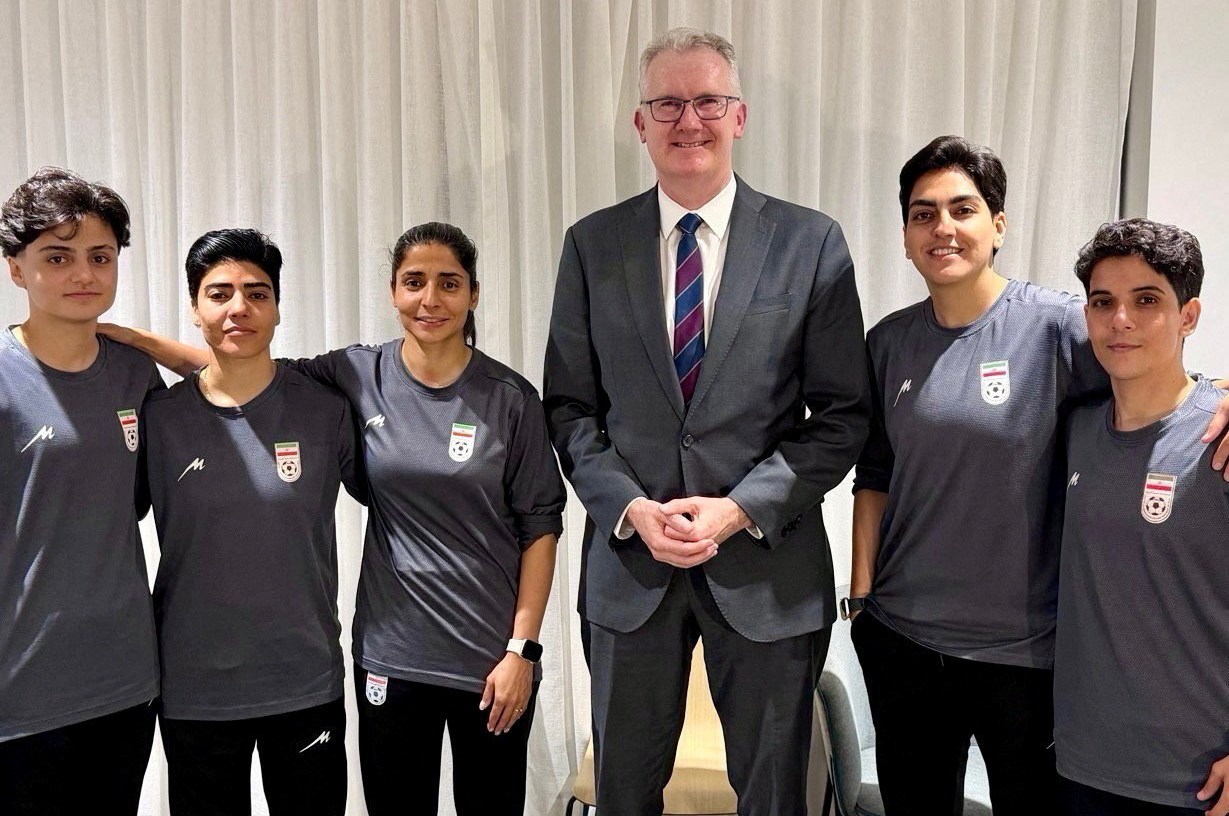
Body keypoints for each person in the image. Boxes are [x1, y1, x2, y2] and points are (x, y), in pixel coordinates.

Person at [102, 221, 565, 816]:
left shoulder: (505, 398)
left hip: (473, 660)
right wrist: (142, 343)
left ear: (473, 294)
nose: (430, 299)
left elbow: (541, 524)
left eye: (449, 283)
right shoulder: (348, 377)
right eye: (414, 282)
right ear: (393, 292)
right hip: (372, 658)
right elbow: (242, 369)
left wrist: (523, 648)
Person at [849, 137, 1229, 816]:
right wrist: (861, 599)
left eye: (961, 208)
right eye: (921, 213)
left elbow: (1151, 371)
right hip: (903, 640)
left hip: (1026, 658)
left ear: (997, 225)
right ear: (904, 235)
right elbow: (873, 471)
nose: (942, 227)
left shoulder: (1058, 326)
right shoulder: (888, 342)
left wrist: (1223, 394)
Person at [543, 28, 870, 815]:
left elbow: (840, 415)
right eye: (667, 104)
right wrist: (627, 508)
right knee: (624, 791)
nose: (688, 121)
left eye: (707, 102)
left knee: (774, 793)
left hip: (767, 567)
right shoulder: (592, 245)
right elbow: (570, 408)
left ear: (739, 115)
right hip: (631, 570)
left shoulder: (809, 242)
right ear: (640, 122)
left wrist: (737, 509)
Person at [144, 229, 364, 815]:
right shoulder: (159, 418)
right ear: (194, 308)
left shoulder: (325, 410)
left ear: (277, 307)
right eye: (219, 293)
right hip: (195, 689)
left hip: (304, 680)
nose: (239, 307)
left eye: (256, 293)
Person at [0, 168, 162, 814]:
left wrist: (147, 342)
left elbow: (247, 386)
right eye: (57, 258)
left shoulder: (133, 374)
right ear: (17, 269)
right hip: (20, 688)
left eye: (100, 257)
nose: (83, 275)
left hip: (124, 680)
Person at [1055, 218, 1229, 816]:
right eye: (1103, 302)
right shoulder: (1075, 430)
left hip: (1196, 780)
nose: (1120, 320)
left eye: (1146, 301)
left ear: (1189, 316)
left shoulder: (1219, 439)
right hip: (1080, 765)